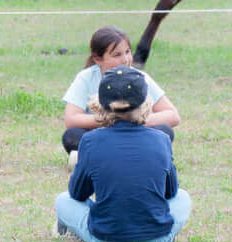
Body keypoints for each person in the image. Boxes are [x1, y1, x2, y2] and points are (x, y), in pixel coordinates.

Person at [54, 66, 192, 242]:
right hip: (156, 240)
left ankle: (63, 231)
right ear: (145, 103)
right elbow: (171, 192)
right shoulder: (162, 139)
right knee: (183, 196)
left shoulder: (89, 141)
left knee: (63, 200)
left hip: (103, 240)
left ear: (101, 104)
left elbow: (77, 193)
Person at [61, 26, 179, 160]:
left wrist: (136, 119)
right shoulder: (86, 78)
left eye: (128, 52)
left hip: (135, 135)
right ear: (98, 59)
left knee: (165, 131)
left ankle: (100, 157)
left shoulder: (140, 77)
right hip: (102, 136)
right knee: (72, 135)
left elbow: (173, 115)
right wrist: (111, 119)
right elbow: (71, 119)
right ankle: (134, 157)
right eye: (117, 55)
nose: (126, 59)